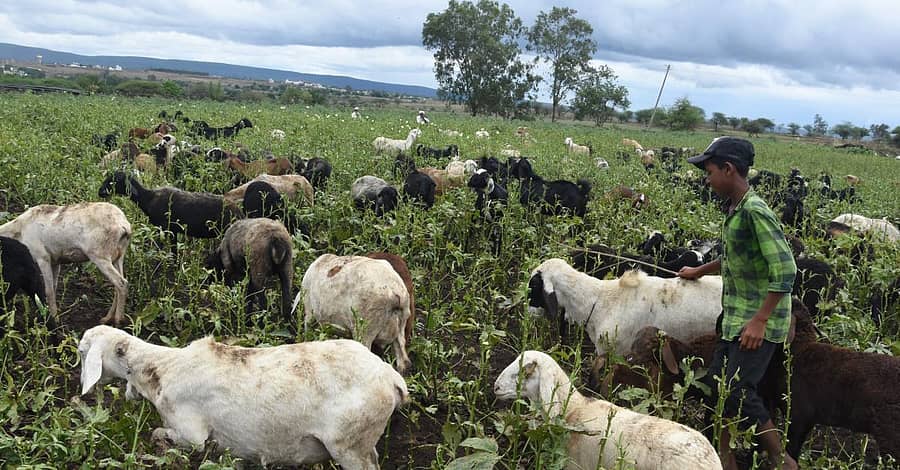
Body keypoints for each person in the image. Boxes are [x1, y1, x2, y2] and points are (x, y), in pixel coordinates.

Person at [678, 136, 798, 470]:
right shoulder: (735, 208)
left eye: (710, 170)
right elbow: (735, 257)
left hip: (758, 323)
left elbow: (786, 269)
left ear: (729, 170)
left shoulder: (756, 211)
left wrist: (760, 320)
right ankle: (724, 457)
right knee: (716, 384)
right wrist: (699, 270)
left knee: (739, 391)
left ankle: (782, 460)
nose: (707, 178)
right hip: (735, 318)